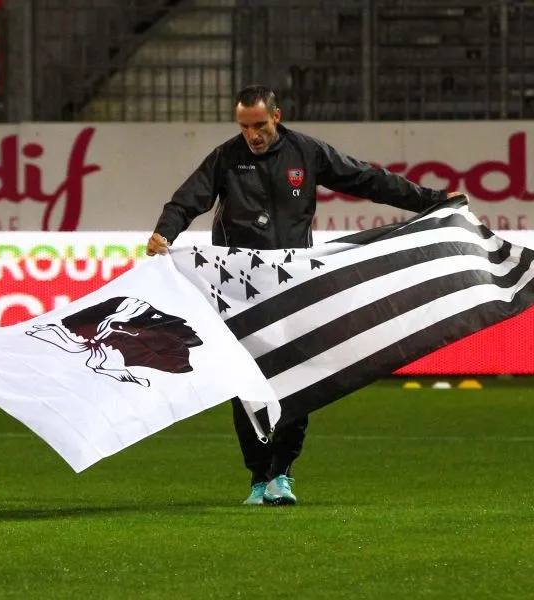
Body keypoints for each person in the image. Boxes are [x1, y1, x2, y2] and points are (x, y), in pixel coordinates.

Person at [146, 85, 460, 506]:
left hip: (293, 286)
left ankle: (282, 473)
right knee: (246, 384)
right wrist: (164, 232)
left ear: (277, 116)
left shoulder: (306, 153)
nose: (252, 135)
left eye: (259, 125)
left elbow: (368, 180)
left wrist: (433, 201)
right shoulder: (226, 158)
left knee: (299, 377)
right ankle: (258, 478)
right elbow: (187, 201)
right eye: (244, 127)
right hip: (240, 293)